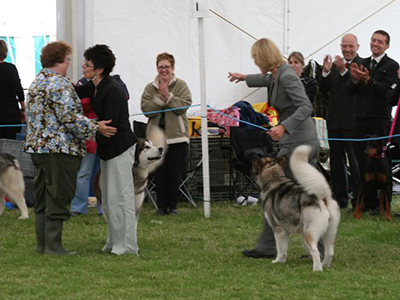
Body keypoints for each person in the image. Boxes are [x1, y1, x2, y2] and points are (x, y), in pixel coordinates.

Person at [228, 38, 320, 259]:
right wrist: (244, 78)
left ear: (266, 55)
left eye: (256, 56)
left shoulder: (287, 75)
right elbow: (267, 79)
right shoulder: (278, 74)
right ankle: (310, 247)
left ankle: (271, 246)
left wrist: (283, 126)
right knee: (304, 195)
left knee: (274, 190)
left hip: (300, 142)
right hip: (295, 140)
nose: (255, 60)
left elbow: (306, 106)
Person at [24, 41, 117, 255]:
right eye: (67, 60)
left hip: (38, 149)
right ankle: (54, 246)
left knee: (42, 198)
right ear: (59, 61)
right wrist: (96, 127)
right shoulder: (59, 84)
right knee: (58, 196)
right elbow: (69, 118)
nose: (69, 64)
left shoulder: (37, 81)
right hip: (59, 150)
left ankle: (43, 245)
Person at [75, 44, 138, 255]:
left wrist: (95, 127)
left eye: (88, 64)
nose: (83, 67)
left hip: (120, 147)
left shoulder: (113, 90)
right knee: (108, 198)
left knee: (122, 196)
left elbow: (109, 125)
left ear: (99, 69)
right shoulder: (93, 85)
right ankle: (113, 240)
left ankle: (127, 245)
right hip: (106, 148)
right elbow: (75, 90)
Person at [347, 30, 399, 213]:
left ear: (387, 46)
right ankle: (367, 203)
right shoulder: (361, 63)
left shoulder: (392, 66)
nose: (375, 44)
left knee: (383, 162)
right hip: (360, 119)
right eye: (373, 40)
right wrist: (354, 80)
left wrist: (368, 80)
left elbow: (388, 93)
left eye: (380, 42)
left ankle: (384, 204)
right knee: (361, 161)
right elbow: (349, 91)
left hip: (379, 120)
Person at [141, 52, 192, 215]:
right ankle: (161, 207)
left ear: (173, 67)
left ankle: (173, 207)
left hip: (177, 137)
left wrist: (168, 96)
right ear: (157, 68)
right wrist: (158, 99)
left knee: (174, 172)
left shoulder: (181, 85)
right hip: (156, 138)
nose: (164, 70)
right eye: (160, 67)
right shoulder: (150, 88)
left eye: (167, 67)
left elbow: (182, 108)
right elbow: (146, 109)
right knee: (160, 173)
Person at [320, 33, 361, 209]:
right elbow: (323, 89)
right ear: (341, 47)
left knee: (356, 162)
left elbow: (353, 88)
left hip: (353, 122)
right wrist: (326, 72)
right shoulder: (335, 66)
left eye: (351, 46)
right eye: (345, 46)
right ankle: (340, 199)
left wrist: (344, 71)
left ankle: (359, 199)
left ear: (357, 47)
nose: (347, 49)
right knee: (336, 163)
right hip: (334, 122)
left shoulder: (362, 65)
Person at [70, 78, 103, 217]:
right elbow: (82, 106)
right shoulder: (84, 84)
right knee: (84, 173)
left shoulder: (109, 83)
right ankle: (78, 207)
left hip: (103, 135)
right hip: (89, 136)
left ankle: (103, 207)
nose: (84, 67)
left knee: (103, 174)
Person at [0, 39, 25, 139]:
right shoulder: (11, 68)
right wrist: (23, 109)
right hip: (10, 114)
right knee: (11, 146)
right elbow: (19, 90)